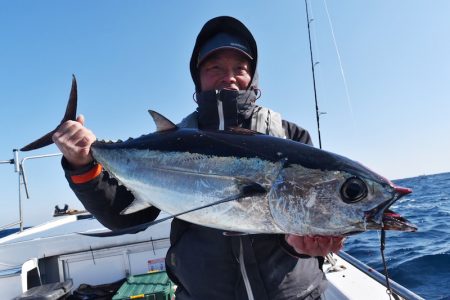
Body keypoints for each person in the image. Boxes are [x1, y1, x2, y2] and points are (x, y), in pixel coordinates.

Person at [53, 16, 345, 300]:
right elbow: (125, 218)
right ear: (198, 77)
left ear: (253, 77)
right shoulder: (174, 138)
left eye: (240, 68)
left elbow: (299, 212)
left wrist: (297, 245)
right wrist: (83, 165)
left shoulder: (290, 137)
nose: (229, 76)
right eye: (215, 66)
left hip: (295, 293)